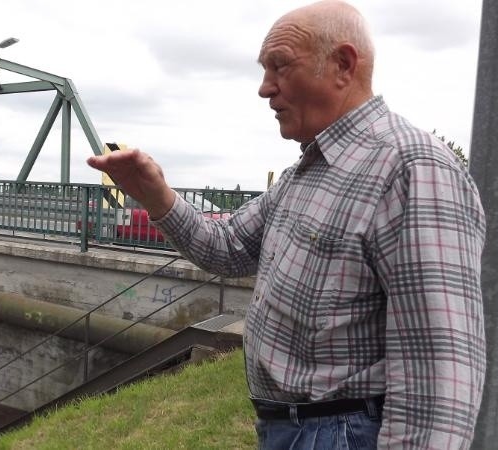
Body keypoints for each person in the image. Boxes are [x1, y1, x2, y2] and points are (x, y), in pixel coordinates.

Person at [87, 1, 486, 448]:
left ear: (343, 65)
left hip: (341, 432)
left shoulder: (413, 169)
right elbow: (228, 247)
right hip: (293, 428)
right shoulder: (306, 173)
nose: (264, 88)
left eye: (279, 66)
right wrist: (155, 194)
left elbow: (438, 373)